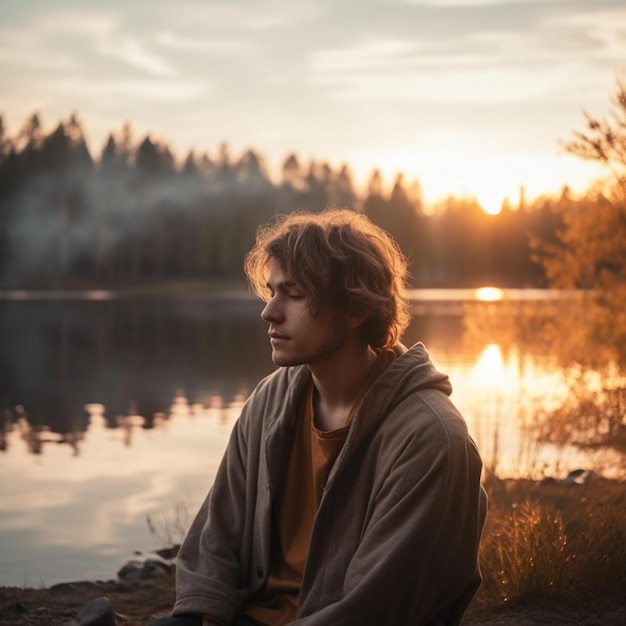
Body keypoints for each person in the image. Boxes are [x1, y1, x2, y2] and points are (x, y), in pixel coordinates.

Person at [149, 208, 487, 626]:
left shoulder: (429, 437)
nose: (269, 312)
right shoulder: (270, 399)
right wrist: (198, 614)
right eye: (271, 292)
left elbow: (377, 606)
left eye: (294, 294)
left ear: (355, 309)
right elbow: (218, 534)